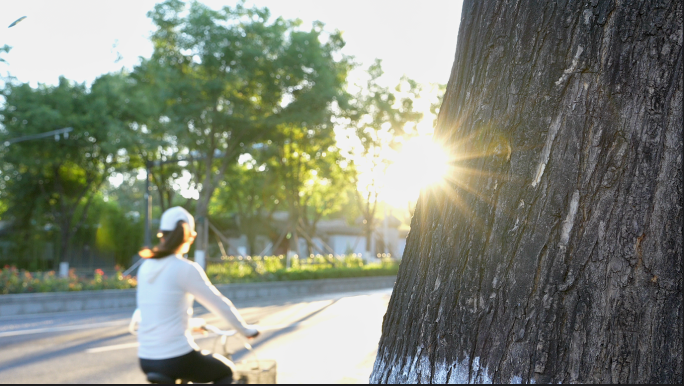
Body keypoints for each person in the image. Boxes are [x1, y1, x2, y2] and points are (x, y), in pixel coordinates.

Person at [135, 206, 258, 384]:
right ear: (188, 236)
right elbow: (219, 304)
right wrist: (246, 330)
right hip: (176, 358)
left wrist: (190, 325)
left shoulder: (146, 267)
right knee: (225, 371)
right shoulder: (185, 268)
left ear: (161, 234)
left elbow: (155, 312)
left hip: (146, 360)